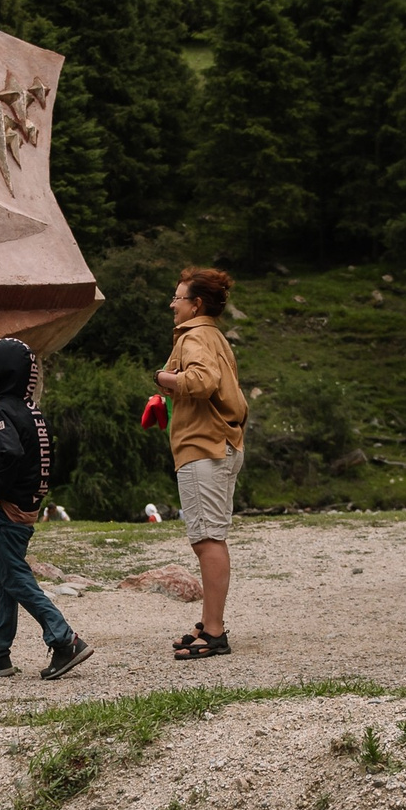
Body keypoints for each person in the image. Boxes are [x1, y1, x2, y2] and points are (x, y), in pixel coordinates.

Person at [0, 339, 94, 680]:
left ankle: (65, 640)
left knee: (14, 575)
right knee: (4, 575)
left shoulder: (2, 412)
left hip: (7, 509)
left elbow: (10, 454)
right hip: (27, 506)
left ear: (0, 375)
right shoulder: (32, 411)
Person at [155, 266, 249, 660]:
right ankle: (210, 621)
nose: (172, 305)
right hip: (221, 444)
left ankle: (214, 632)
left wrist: (163, 379)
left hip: (203, 448)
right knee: (210, 536)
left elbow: (203, 381)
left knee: (207, 539)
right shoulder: (214, 336)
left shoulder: (194, 337)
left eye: (178, 298)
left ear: (196, 304)